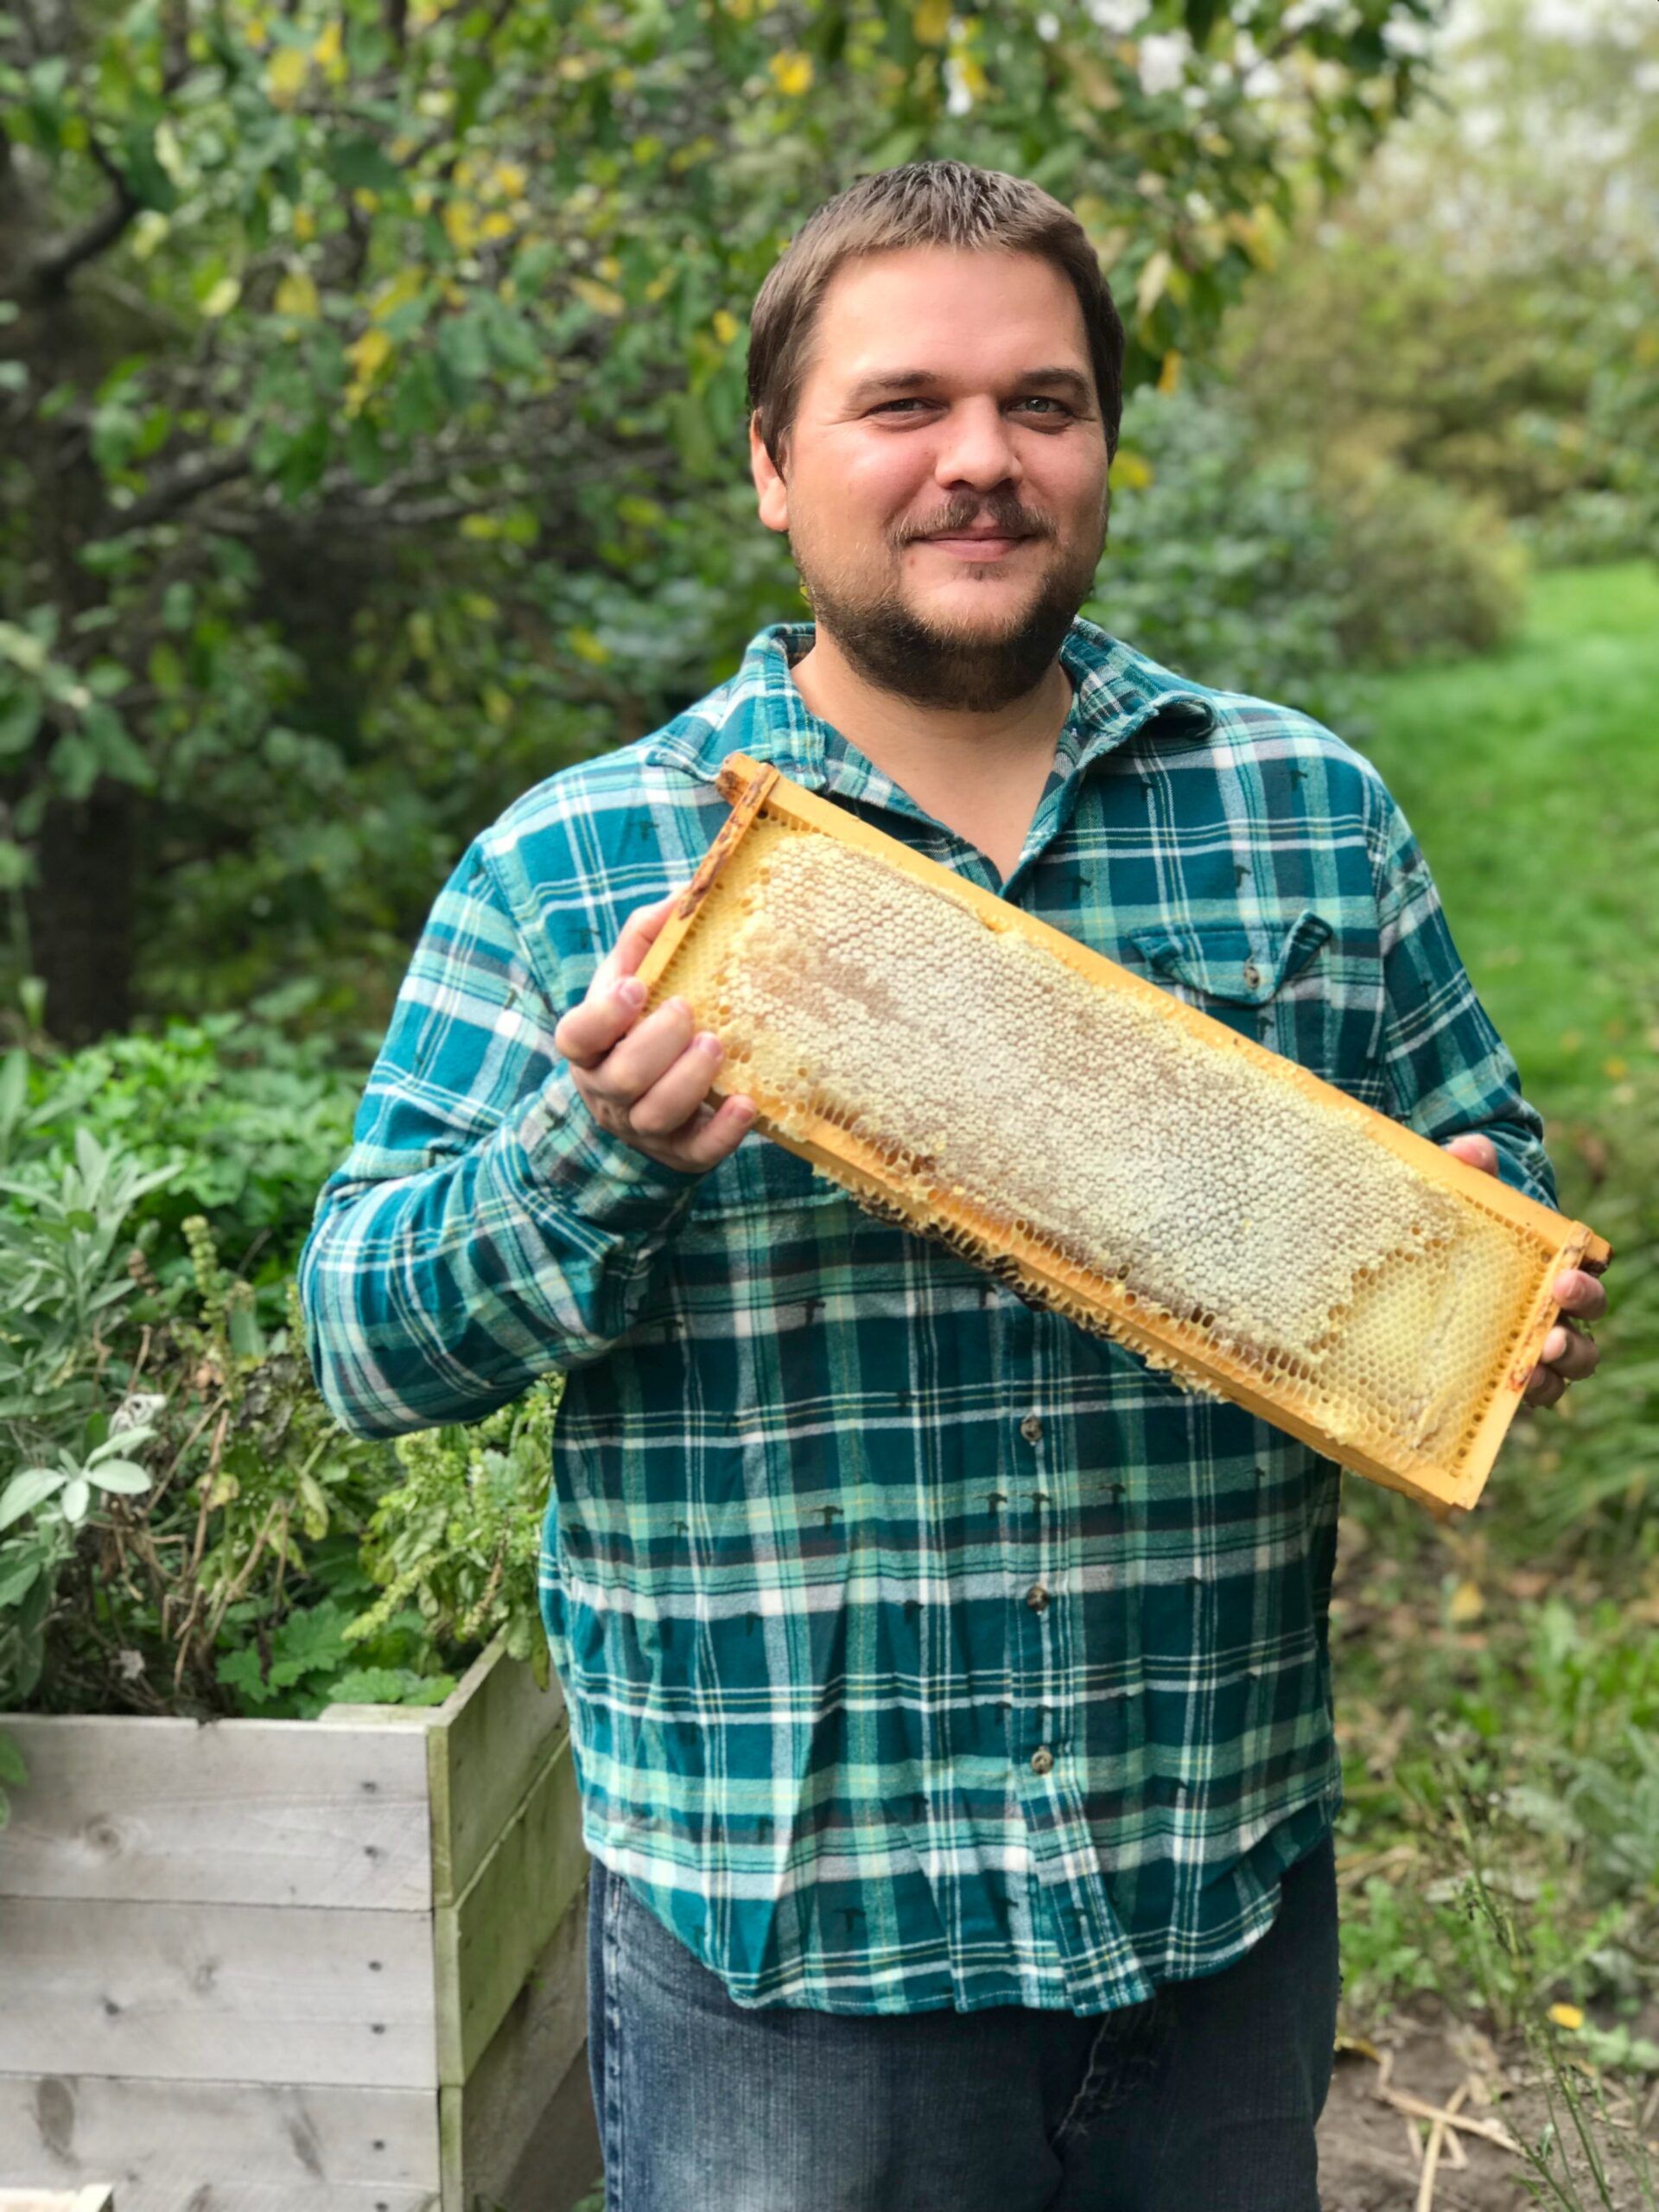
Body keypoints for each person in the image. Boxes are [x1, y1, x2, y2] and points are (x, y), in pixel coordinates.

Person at [299, 161, 1605, 2211]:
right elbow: (360, 1332)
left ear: (1101, 450)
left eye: (1044, 405)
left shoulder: (1304, 816)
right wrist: (590, 1156)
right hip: (791, 1982)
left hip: (1214, 1921)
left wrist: (1483, 1268)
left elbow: (1483, 1168)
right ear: (772, 464)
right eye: (903, 404)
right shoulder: (577, 869)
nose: (979, 460)